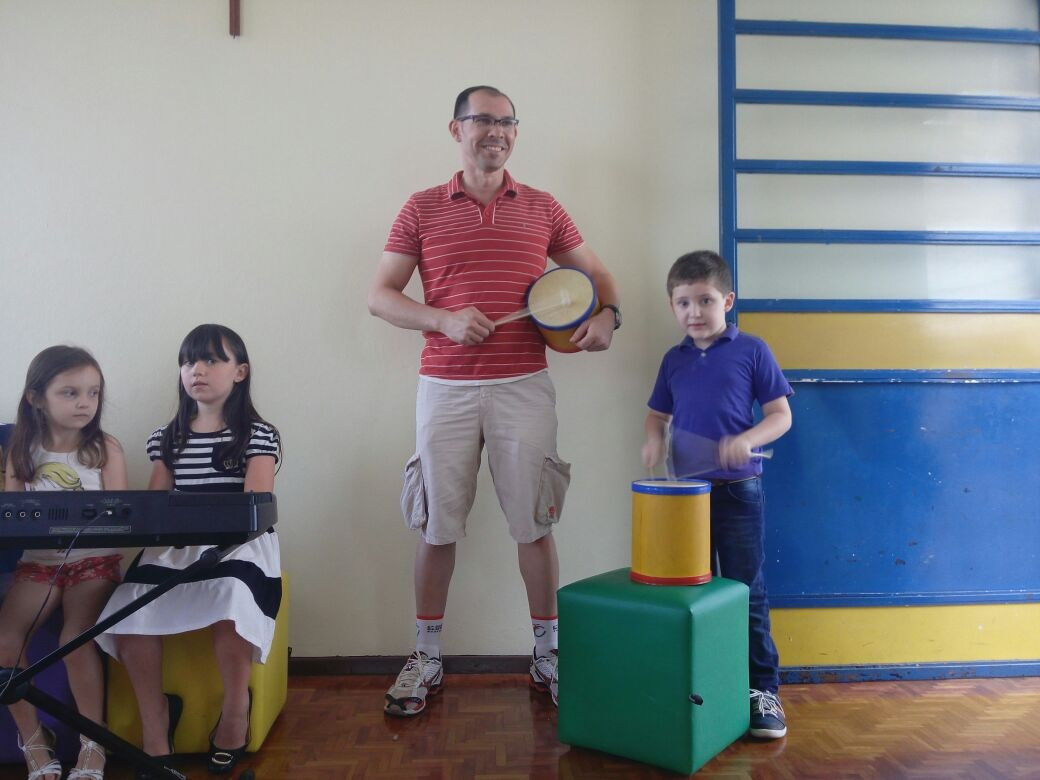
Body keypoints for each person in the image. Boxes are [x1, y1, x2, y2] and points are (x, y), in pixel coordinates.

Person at [369, 85, 621, 716]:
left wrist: (608, 316)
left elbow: (597, 274)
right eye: (483, 119)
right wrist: (442, 320)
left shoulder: (543, 207)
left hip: (524, 386)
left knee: (535, 524)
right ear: (456, 129)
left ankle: (548, 655)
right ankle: (426, 656)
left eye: (508, 122)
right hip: (445, 388)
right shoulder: (422, 207)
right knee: (436, 526)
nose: (497, 131)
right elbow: (380, 295)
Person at [95, 324, 281, 777]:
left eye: (212, 360)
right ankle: (155, 722)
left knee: (232, 596)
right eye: (188, 362)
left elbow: (254, 509)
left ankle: (235, 712)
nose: (197, 370)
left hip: (240, 543)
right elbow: (158, 505)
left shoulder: (257, 434)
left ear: (240, 372)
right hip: (178, 543)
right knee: (128, 606)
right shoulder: (167, 437)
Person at [641, 250, 793, 740]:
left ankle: (762, 690)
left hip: (739, 492)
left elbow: (781, 415)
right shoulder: (674, 360)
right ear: (672, 306)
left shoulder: (752, 350)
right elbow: (656, 415)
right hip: (684, 498)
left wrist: (747, 440)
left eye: (705, 300)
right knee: (691, 592)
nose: (694, 312)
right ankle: (701, 688)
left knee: (747, 592)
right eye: (683, 302)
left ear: (727, 300)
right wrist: (652, 439)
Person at [1, 345, 128, 780]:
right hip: (39, 565)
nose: (84, 403)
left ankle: (94, 741)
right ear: (36, 397)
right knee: (5, 640)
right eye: (70, 392)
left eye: (93, 393)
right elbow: (12, 519)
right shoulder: (22, 451)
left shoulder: (105, 448)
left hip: (95, 564)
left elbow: (125, 518)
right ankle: (34, 740)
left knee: (74, 639)